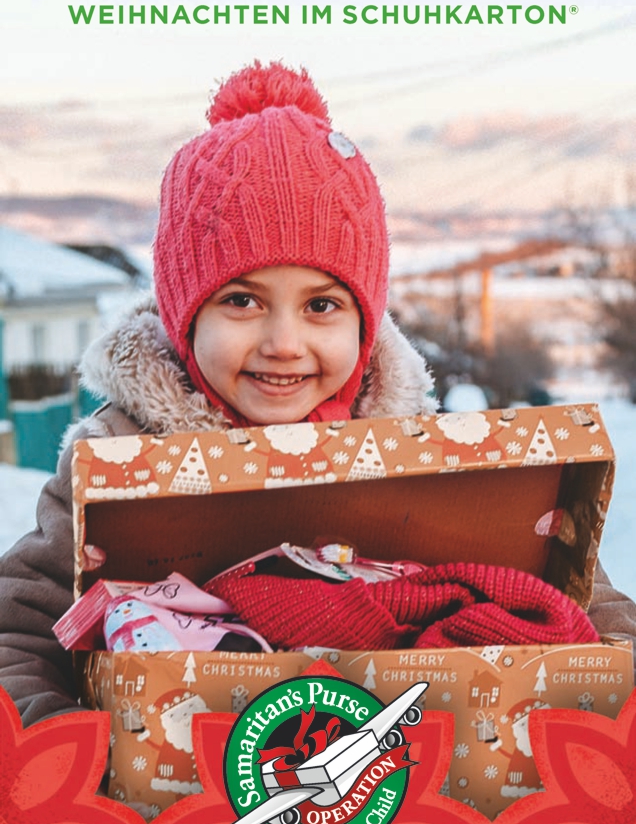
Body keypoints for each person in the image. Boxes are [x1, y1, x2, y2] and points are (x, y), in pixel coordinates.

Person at [0, 61, 634, 730]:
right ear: (185, 313)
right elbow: (18, 633)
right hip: (177, 809)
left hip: (401, 795)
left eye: (322, 305)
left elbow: (574, 597)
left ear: (365, 323)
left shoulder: (426, 459)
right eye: (241, 300)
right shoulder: (120, 460)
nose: (284, 341)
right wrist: (62, 760)